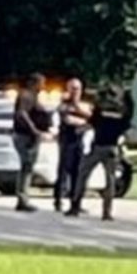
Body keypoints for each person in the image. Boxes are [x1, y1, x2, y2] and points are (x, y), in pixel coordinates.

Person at [68, 85, 134, 221]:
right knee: (110, 180)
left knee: (83, 175)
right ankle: (107, 212)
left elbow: (92, 122)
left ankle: (75, 206)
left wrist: (79, 130)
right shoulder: (122, 111)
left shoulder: (101, 108)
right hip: (112, 147)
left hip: (98, 146)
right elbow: (126, 125)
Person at [12, 73, 50, 212]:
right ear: (34, 83)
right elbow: (22, 114)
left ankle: (23, 197)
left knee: (27, 167)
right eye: (41, 83)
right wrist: (34, 130)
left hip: (30, 137)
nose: (43, 86)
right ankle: (22, 198)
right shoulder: (26, 95)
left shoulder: (34, 97)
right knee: (26, 166)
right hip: (24, 136)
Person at [53, 78, 90, 212]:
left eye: (77, 88)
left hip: (79, 142)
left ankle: (76, 202)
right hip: (66, 141)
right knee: (63, 171)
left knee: (77, 172)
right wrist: (83, 121)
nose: (75, 91)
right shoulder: (63, 105)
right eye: (72, 88)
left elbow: (91, 119)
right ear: (68, 89)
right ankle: (58, 200)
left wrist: (80, 114)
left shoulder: (84, 105)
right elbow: (68, 120)